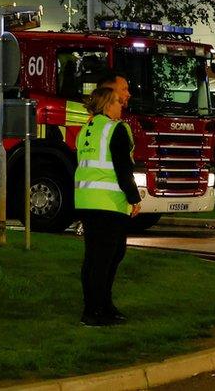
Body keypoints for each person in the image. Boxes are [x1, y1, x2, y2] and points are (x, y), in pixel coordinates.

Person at [75, 86, 142, 326]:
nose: (122, 106)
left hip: (86, 201)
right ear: (107, 105)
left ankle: (99, 306)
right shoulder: (116, 130)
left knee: (95, 258)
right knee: (106, 259)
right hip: (108, 204)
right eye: (118, 102)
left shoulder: (86, 131)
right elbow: (123, 170)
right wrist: (135, 198)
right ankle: (95, 311)